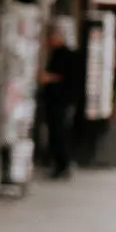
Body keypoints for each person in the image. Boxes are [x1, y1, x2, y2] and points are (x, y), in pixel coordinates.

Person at [40, 24, 78, 178]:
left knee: (59, 132)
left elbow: (64, 77)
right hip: (55, 100)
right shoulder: (56, 54)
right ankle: (58, 163)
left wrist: (47, 78)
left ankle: (62, 164)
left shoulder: (66, 55)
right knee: (56, 132)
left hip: (60, 100)